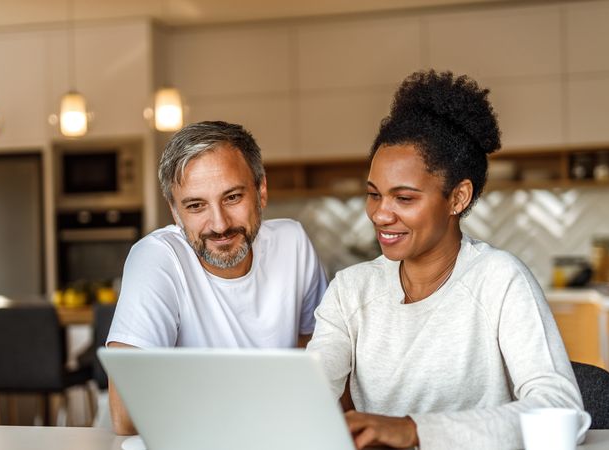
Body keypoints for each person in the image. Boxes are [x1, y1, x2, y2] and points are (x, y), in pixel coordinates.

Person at [306, 71, 584, 450]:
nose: (380, 215)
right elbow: (309, 397)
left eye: (404, 198)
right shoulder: (351, 291)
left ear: (458, 198)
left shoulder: (499, 280)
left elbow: (560, 409)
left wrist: (414, 430)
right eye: (374, 194)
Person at [106, 121, 328, 435]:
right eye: (196, 205)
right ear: (174, 211)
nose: (220, 224)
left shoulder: (293, 242)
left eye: (232, 197)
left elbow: (322, 361)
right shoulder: (156, 258)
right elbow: (126, 416)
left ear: (260, 191)